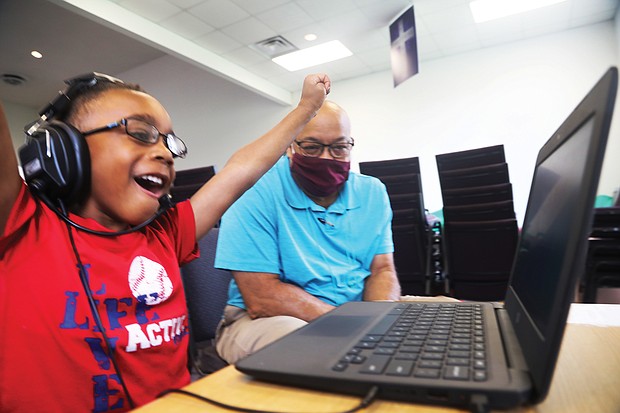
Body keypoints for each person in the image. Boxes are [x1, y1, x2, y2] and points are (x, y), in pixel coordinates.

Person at [0, 72, 330, 412]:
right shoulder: (19, 223)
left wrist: (307, 108)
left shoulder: (167, 234)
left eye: (169, 143)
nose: (165, 153)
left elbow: (241, 169)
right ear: (64, 150)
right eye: (141, 134)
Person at [214, 101, 401, 364]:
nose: (326, 158)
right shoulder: (253, 190)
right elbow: (261, 297)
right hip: (270, 320)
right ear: (289, 146)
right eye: (312, 147)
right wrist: (353, 326)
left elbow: (382, 269)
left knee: (453, 317)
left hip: (357, 311)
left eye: (339, 147)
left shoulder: (373, 192)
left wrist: (380, 321)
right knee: (316, 349)